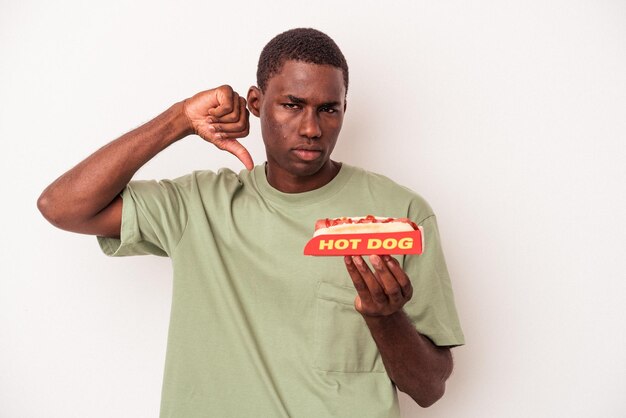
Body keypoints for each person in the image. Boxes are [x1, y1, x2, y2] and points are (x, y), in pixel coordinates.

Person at [38, 28, 464, 417]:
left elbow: (429, 388)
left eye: (329, 109)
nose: (312, 128)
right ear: (257, 104)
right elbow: (62, 206)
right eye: (292, 105)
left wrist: (384, 318)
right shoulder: (198, 205)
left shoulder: (400, 214)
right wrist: (179, 120)